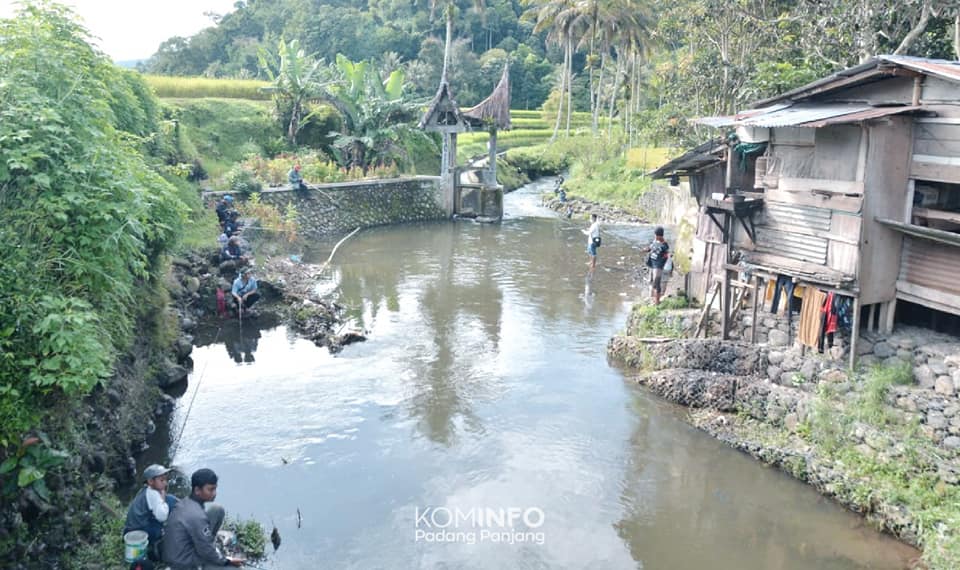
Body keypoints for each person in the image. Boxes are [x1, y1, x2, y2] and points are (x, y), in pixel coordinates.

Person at [162, 468, 243, 569]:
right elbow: (206, 551)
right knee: (235, 568)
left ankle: (210, 542)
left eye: (215, 488)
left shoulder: (186, 502)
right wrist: (226, 560)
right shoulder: (197, 516)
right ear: (197, 490)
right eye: (210, 489)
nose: (214, 493)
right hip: (184, 563)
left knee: (217, 510)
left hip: (177, 549)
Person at [123, 464, 178, 560]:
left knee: (172, 500)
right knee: (171, 503)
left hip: (130, 529)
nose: (165, 483)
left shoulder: (145, 490)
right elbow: (162, 516)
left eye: (166, 480)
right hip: (141, 532)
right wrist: (163, 497)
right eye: (161, 480)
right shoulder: (153, 494)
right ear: (150, 481)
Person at [644, 226, 671, 305]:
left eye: (656, 235)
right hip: (652, 265)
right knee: (652, 282)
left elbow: (666, 257)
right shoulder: (655, 241)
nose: (655, 236)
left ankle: (657, 301)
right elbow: (651, 248)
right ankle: (652, 299)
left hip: (658, 267)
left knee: (657, 283)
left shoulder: (664, 245)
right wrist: (646, 249)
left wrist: (660, 266)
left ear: (659, 236)